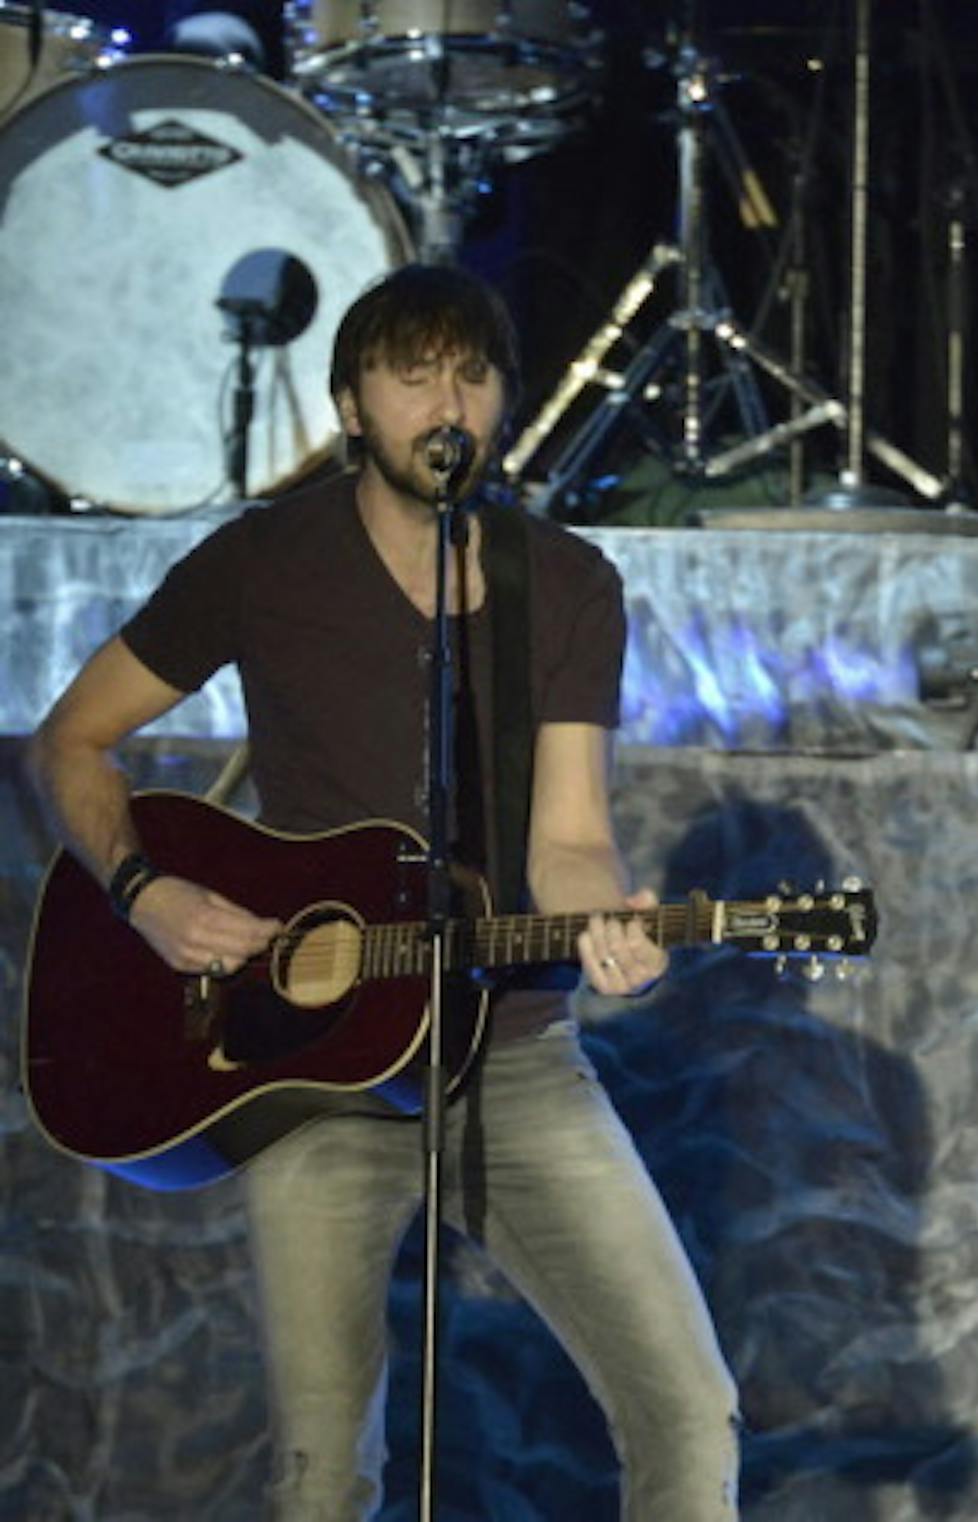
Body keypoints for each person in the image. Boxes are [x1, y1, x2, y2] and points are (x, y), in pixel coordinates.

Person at [25, 265, 742, 1520]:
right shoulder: (262, 562)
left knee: (689, 1417)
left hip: (507, 1053)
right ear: (353, 405)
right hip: (302, 1066)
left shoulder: (565, 584)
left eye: (471, 374)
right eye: (412, 376)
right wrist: (146, 893)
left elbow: (568, 838)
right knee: (321, 1478)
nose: (445, 401)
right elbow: (72, 739)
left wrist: (610, 919)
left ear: (508, 403)